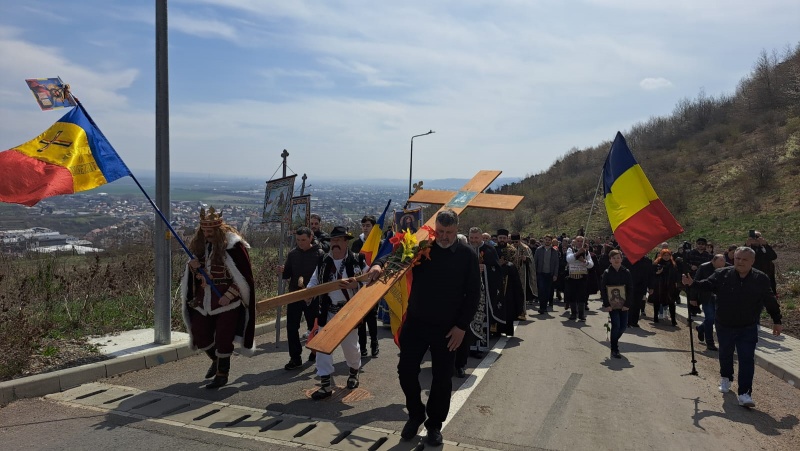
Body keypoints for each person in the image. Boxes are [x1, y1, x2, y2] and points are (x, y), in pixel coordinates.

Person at [396, 210, 480, 446]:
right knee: (405, 370)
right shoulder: (422, 249)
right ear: (435, 229)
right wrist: (377, 267)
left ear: (457, 230)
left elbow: (473, 294)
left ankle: (434, 424)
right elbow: (394, 259)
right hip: (416, 323)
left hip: (448, 328)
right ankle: (415, 413)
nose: (444, 237)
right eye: (440, 232)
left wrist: (462, 326)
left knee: (442, 378)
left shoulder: (467, 256)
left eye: (449, 233)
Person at [682, 247, 782, 408]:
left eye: (744, 259)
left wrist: (777, 320)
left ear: (752, 261)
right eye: (737, 259)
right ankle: (726, 377)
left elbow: (769, 299)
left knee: (746, 359)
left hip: (748, 326)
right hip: (725, 324)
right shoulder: (723, 274)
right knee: (725, 353)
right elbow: (707, 285)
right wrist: (692, 283)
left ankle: (745, 393)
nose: (740, 262)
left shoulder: (760, 278)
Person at [182, 207, 256, 389]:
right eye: (204, 230)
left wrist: (229, 295)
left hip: (227, 301)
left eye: (210, 231)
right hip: (204, 299)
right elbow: (194, 275)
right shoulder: (200, 245)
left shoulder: (234, 247)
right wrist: (192, 267)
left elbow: (244, 278)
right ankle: (216, 361)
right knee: (199, 332)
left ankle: (222, 374)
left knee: (224, 338)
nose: (206, 234)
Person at [306, 226, 383, 400]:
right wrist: (308, 295)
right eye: (333, 240)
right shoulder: (323, 261)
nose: (335, 244)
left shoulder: (358, 260)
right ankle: (325, 385)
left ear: (346, 242)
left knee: (351, 348)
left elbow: (372, 283)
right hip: (328, 312)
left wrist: (356, 285)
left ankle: (354, 372)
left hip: (349, 313)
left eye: (339, 240)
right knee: (322, 348)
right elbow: (313, 282)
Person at [455, 227, 498, 377]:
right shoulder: (464, 250)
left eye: (476, 238)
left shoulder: (489, 250)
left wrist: (484, 268)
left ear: (481, 237)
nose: (474, 240)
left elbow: (496, 269)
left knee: (479, 320)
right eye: (471, 238)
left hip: (482, 292)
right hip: (462, 294)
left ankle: (478, 347)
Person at [279, 226, 324, 370]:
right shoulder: (293, 254)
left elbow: (324, 278)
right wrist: (282, 271)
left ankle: (316, 353)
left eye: (303, 240)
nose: (300, 243)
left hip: (313, 296)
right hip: (295, 295)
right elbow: (287, 275)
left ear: (311, 237)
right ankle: (295, 357)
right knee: (292, 327)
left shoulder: (320, 254)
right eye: (298, 240)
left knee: (314, 327)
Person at [352, 215, 380, 358]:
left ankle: (374, 343)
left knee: (371, 317)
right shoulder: (357, 243)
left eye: (368, 225)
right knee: (360, 318)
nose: (365, 228)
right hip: (359, 285)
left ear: (374, 227)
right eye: (363, 225)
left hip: (373, 284)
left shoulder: (379, 243)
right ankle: (362, 346)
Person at [689, 254, 727, 351]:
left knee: (716, 319)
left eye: (723, 264)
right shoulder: (703, 267)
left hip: (720, 298)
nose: (721, 267)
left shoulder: (727, 267)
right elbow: (695, 282)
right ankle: (710, 343)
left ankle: (701, 328)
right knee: (710, 318)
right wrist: (693, 298)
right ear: (713, 261)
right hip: (706, 297)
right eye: (719, 264)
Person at [600, 250, 633, 358]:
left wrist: (627, 304)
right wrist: (606, 304)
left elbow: (630, 289)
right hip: (612, 305)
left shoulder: (626, 272)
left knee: (623, 327)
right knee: (616, 325)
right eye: (613, 258)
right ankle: (615, 348)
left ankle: (614, 340)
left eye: (618, 257)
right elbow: (603, 290)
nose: (616, 260)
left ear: (621, 259)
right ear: (610, 260)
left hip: (624, 305)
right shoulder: (607, 273)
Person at [490, 246, 525, 336]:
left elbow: (516, 284)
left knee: (508, 314)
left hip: (508, 295)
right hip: (496, 294)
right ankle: (495, 332)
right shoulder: (493, 266)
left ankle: (508, 331)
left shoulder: (510, 267)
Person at [648, 249, 681, 326]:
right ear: (661, 256)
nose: (666, 257)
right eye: (664, 255)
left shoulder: (673, 264)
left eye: (668, 255)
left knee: (671, 303)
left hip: (670, 286)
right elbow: (651, 274)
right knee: (657, 302)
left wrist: (676, 283)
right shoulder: (656, 263)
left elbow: (676, 274)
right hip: (659, 285)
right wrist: (657, 273)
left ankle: (673, 319)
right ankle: (655, 316)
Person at [565, 236, 594, 321]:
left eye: (582, 241)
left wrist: (584, 262)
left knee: (582, 296)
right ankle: (574, 313)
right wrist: (577, 253)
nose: (580, 242)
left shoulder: (586, 252)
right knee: (572, 296)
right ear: (575, 241)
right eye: (578, 241)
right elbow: (569, 259)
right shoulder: (570, 250)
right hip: (572, 277)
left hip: (582, 277)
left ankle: (581, 314)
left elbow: (591, 264)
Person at [746, 231, 778, 296]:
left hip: (766, 275)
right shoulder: (748, 248)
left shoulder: (764, 248)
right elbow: (742, 257)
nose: (755, 239)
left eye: (757, 237)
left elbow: (773, 256)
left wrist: (765, 245)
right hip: (752, 276)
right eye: (753, 237)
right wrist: (746, 245)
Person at [534, 236, 559, 314]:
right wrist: (534, 273)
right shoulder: (539, 250)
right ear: (544, 240)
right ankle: (542, 307)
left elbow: (556, 264)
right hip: (541, 273)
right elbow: (535, 262)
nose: (547, 241)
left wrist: (555, 275)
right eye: (546, 240)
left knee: (547, 291)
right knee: (541, 290)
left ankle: (544, 307)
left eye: (549, 240)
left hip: (550, 274)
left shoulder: (554, 251)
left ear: (551, 241)